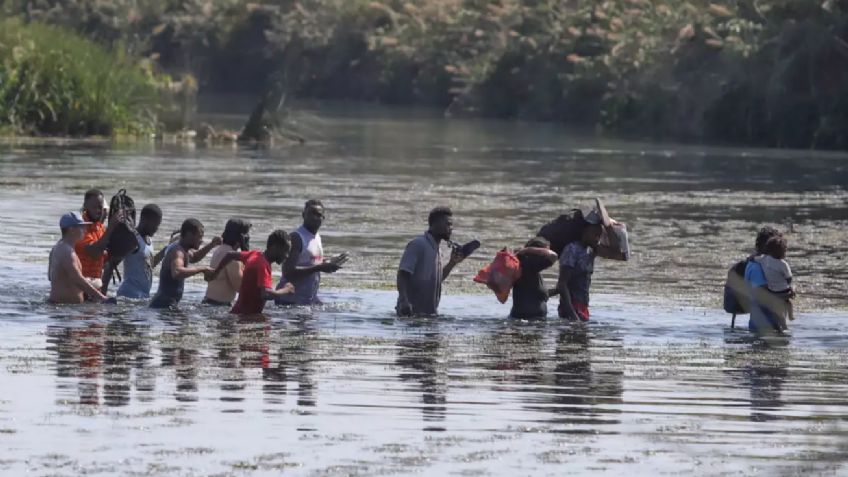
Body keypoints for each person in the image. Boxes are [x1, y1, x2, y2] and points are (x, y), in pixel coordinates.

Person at [396, 206, 468, 316]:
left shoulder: (438, 249)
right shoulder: (418, 244)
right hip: (409, 315)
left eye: (451, 225)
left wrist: (452, 263)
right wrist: (404, 301)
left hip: (429, 316)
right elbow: (402, 274)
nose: (451, 228)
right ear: (435, 224)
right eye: (447, 224)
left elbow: (436, 280)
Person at [556, 209, 624, 321]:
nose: (597, 239)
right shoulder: (572, 250)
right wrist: (573, 315)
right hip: (571, 307)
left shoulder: (592, 250)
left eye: (599, 235)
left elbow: (617, 251)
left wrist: (608, 226)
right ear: (584, 231)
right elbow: (562, 285)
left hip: (582, 307)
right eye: (595, 234)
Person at [276, 200, 348, 306]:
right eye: (311, 213)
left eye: (318, 215)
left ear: (323, 218)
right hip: (288, 302)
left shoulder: (317, 237)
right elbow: (288, 272)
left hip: (307, 301)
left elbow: (309, 261)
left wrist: (329, 262)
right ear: (303, 215)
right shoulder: (296, 238)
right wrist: (320, 268)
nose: (314, 217)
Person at [208, 230, 297, 314]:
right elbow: (265, 294)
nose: (287, 256)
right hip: (246, 318)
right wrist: (285, 290)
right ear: (274, 247)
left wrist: (216, 272)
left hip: (239, 312)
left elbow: (230, 255)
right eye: (285, 251)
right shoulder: (262, 266)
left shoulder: (255, 254)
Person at [149, 218, 221, 309]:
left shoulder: (183, 250)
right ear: (189, 235)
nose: (201, 240)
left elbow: (195, 257)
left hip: (166, 304)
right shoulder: (178, 252)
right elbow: (177, 272)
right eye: (199, 237)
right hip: (163, 305)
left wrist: (212, 244)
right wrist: (202, 269)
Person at [48, 212, 108, 304]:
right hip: (64, 308)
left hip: (62, 306)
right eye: (82, 227)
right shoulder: (67, 252)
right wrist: (102, 298)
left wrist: (91, 281)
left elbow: (52, 277)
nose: (85, 230)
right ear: (72, 230)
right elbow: (77, 279)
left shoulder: (57, 248)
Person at [115, 204, 167, 299]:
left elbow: (149, 265)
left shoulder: (149, 240)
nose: (156, 228)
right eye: (154, 224)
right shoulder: (133, 239)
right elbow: (113, 263)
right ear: (144, 219)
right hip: (129, 294)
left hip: (142, 295)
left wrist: (166, 249)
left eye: (158, 225)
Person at [75, 189, 123, 291]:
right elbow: (94, 253)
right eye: (94, 207)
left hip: (94, 287)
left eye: (100, 207)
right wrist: (111, 227)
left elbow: (107, 259)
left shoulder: (100, 227)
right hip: (79, 288)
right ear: (85, 206)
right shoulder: (80, 228)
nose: (98, 210)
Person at [744, 227, 788, 335]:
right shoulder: (756, 268)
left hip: (774, 326)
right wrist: (785, 294)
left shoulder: (769, 265)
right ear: (765, 246)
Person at [204, 218, 252, 306]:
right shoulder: (232, 258)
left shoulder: (219, 250)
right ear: (242, 238)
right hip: (219, 306)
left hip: (208, 301)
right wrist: (246, 252)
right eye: (247, 235)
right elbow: (241, 288)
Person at [510, 237, 559, 319]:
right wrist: (527, 250)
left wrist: (557, 290)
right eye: (544, 253)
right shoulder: (527, 267)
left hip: (531, 320)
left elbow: (536, 296)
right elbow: (553, 256)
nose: (546, 258)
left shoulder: (532, 271)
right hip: (527, 321)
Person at [755, 234, 795, 329]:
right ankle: (791, 315)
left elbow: (754, 258)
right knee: (788, 302)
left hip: (773, 292)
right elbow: (789, 278)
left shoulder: (764, 259)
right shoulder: (783, 264)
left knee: (778, 311)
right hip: (784, 291)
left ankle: (783, 325)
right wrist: (790, 286)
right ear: (782, 252)